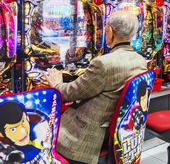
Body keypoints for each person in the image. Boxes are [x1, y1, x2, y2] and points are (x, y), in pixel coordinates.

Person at [45, 11, 147, 164]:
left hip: (90, 135)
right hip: (121, 130)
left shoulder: (103, 64)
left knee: (45, 124)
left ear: (110, 31)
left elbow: (71, 93)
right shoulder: (141, 61)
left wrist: (57, 83)